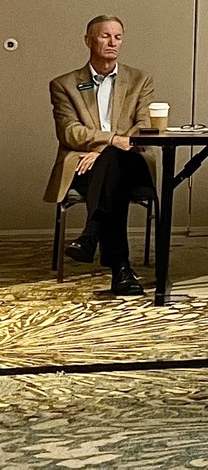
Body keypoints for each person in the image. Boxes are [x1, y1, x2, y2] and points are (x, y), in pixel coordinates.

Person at [45, 15, 155, 297]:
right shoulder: (64, 84)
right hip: (86, 167)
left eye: (118, 37)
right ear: (88, 41)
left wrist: (103, 150)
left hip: (132, 160)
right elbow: (69, 131)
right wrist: (111, 143)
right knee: (112, 181)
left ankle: (91, 233)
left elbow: (144, 127)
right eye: (105, 36)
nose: (112, 42)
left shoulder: (140, 80)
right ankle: (121, 269)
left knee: (114, 163)